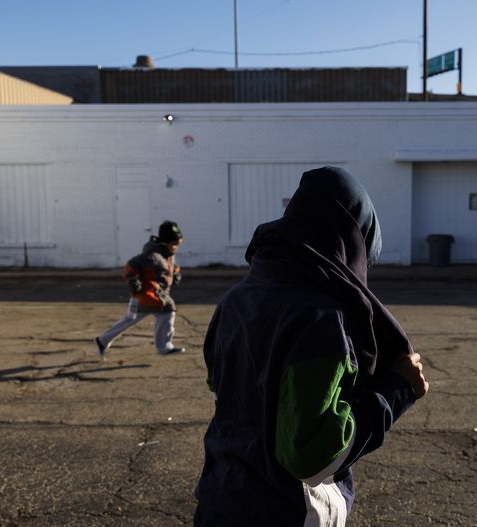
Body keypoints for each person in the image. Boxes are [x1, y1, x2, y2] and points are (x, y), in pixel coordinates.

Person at [194, 166, 429, 526]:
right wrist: (397, 388)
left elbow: (224, 390)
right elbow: (312, 456)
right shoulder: (320, 318)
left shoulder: (237, 298)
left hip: (220, 495)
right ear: (349, 242)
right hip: (285, 510)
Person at [94, 220, 186, 358]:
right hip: (147, 296)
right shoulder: (153, 256)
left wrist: (176, 273)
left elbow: (171, 266)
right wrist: (133, 282)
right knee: (167, 311)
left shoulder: (167, 254)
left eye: (178, 244)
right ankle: (164, 347)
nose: (176, 247)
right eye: (174, 244)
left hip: (155, 297)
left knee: (131, 320)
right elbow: (131, 267)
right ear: (166, 243)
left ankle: (102, 341)